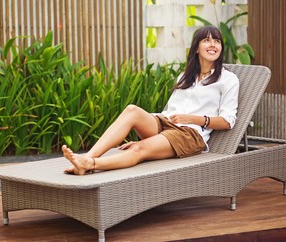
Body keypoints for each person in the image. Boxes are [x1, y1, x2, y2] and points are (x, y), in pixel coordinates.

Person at [62, 25, 239, 175]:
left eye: (217, 41)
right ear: (196, 48)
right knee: (132, 110)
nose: (213, 45)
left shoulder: (228, 80)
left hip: (189, 135)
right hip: (166, 123)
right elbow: (168, 111)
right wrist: (149, 135)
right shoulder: (185, 77)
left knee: (138, 150)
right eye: (207, 40)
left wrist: (192, 119)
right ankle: (88, 156)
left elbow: (227, 122)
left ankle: (90, 165)